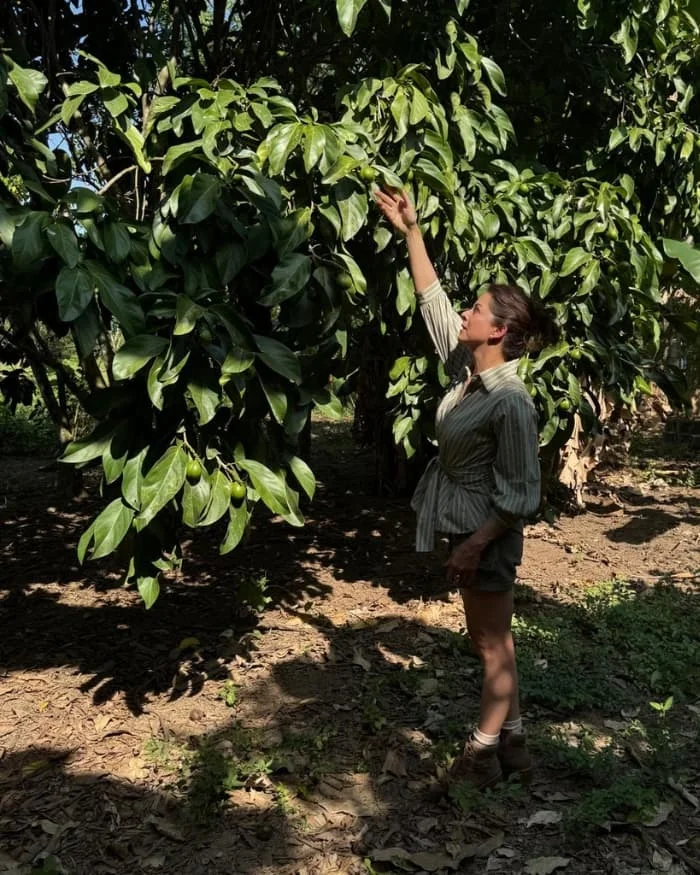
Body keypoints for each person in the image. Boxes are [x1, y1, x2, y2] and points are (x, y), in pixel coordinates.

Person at [374, 187, 559, 789]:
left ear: (497, 331)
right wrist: (411, 232)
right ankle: (515, 744)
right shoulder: (468, 374)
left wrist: (475, 545)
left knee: (491, 646)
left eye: (475, 311)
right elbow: (433, 303)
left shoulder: (511, 401)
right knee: (493, 640)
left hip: (487, 535)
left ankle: (479, 757)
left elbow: (522, 494)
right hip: (471, 527)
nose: (463, 315)